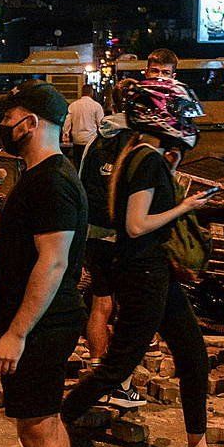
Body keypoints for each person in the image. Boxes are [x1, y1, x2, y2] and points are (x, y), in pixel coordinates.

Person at [61, 78, 224, 447]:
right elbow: (137, 223)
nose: (185, 122)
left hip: (150, 269)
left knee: (192, 353)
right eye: (179, 114)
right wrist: (187, 206)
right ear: (161, 116)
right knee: (120, 361)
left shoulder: (135, 151)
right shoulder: (147, 159)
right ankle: (56, 426)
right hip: (143, 270)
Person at [0, 80, 87, 447]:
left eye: (11, 116)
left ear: (33, 122)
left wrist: (17, 333)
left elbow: (52, 263)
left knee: (38, 430)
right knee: (48, 425)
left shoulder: (51, 182)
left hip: (44, 326)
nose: (4, 124)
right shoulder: (41, 176)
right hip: (45, 321)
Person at [76, 112, 145, 408]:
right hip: (121, 238)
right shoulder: (136, 142)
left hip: (94, 235)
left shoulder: (96, 139)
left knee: (100, 304)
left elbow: (81, 183)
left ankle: (96, 374)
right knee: (124, 309)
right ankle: (119, 384)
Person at [62, 84, 105, 164]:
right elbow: (101, 124)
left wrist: (66, 134)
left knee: (77, 163)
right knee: (89, 164)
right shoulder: (96, 106)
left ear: (82, 93)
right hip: (91, 140)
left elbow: (67, 122)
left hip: (77, 140)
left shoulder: (73, 105)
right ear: (91, 93)